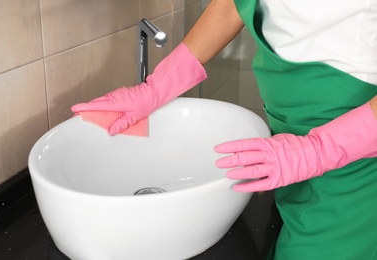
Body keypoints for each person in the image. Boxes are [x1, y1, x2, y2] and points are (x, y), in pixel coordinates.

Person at [71, 0, 377, 258]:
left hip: (358, 157)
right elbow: (234, 4)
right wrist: (159, 86)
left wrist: (322, 149)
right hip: (294, 138)